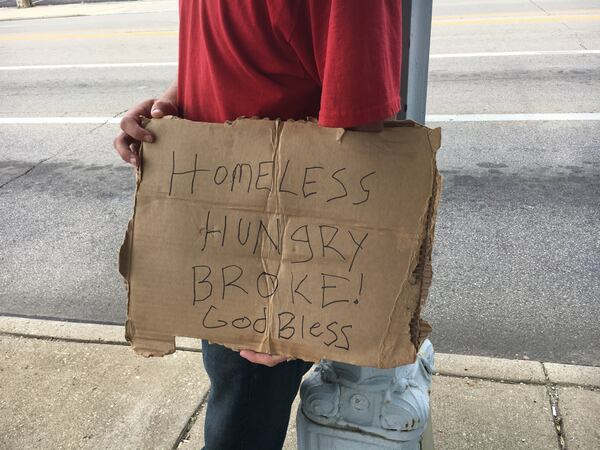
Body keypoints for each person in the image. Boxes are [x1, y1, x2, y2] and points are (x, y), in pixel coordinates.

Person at [114, 1, 402, 448]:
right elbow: (237, 56)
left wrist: (295, 310)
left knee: (239, 425)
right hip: (219, 241)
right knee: (233, 398)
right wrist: (175, 99)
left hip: (273, 266)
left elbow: (359, 142)